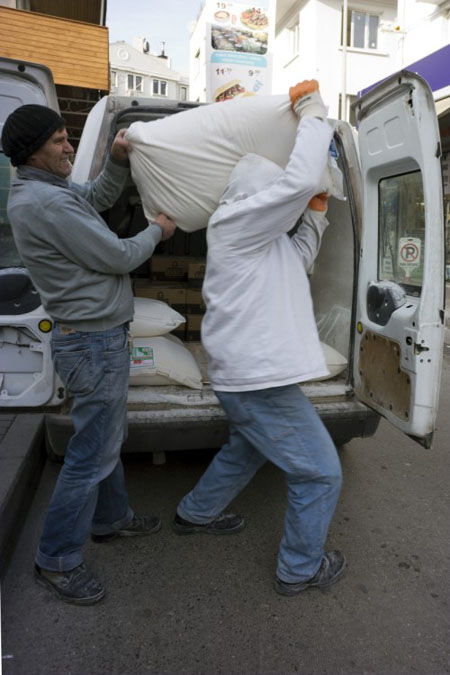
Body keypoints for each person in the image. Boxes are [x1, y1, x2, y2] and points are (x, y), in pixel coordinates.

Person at [173, 81, 345, 596]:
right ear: (255, 197)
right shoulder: (233, 222)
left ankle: (194, 514)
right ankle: (299, 568)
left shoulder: (260, 243)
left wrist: (316, 211)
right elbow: (291, 185)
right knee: (320, 474)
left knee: (245, 450)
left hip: (245, 379)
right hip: (256, 382)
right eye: (279, 202)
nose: (284, 209)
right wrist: (314, 114)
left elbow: (300, 257)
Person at [2, 104, 176, 605]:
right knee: (88, 456)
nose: (69, 146)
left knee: (105, 438)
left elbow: (97, 195)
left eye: (67, 137)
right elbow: (117, 255)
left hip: (96, 338)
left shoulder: (51, 192)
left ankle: (110, 518)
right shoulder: (46, 205)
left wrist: (118, 159)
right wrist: (157, 231)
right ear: (32, 150)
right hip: (92, 343)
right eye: (59, 141)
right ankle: (55, 560)